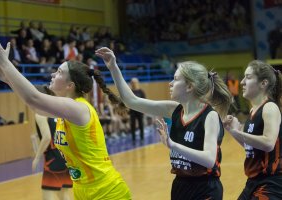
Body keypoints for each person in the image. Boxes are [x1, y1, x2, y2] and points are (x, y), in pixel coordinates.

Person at [0, 35, 131, 200]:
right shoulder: (64, 111)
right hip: (84, 192)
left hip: (108, 192)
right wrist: (8, 80)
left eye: (59, 72)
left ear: (70, 86)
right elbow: (34, 105)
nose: (53, 73)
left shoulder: (78, 108)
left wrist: (5, 63)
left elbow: (34, 98)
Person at [95, 47, 232, 200]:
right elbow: (131, 101)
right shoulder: (174, 109)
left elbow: (209, 159)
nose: (170, 83)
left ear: (189, 86)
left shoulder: (209, 116)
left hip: (205, 188)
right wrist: (113, 67)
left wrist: (172, 145)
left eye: (175, 79)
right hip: (180, 185)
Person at [223, 60, 282, 199]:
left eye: (248, 77)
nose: (242, 82)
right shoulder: (253, 110)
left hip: (272, 183)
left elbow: (268, 143)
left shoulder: (269, 108)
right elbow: (250, 146)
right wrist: (232, 130)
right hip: (254, 181)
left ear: (263, 83)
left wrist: (238, 132)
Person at [33, 85, 72, 200]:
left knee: (48, 193)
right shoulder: (57, 112)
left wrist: (37, 157)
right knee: (64, 194)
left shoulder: (40, 113)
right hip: (65, 157)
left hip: (52, 159)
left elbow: (46, 137)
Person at [129, 78, 146, 144]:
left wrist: (144, 109)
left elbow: (145, 102)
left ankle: (142, 138)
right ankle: (133, 139)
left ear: (137, 83)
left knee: (141, 124)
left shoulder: (141, 92)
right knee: (132, 125)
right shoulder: (130, 92)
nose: (133, 83)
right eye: (132, 82)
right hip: (132, 111)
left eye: (135, 82)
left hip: (140, 110)